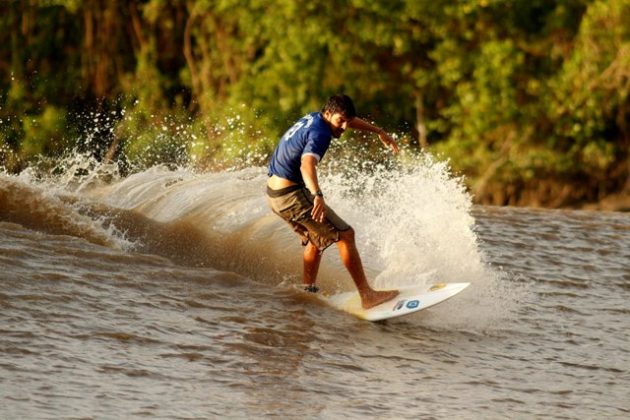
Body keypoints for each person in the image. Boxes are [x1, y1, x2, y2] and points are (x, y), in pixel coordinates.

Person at [266, 94, 400, 309]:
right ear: (328, 114)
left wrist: (379, 132)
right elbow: (306, 164)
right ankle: (367, 296)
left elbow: (348, 119)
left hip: (275, 195)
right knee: (346, 235)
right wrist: (317, 194)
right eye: (341, 121)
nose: (345, 127)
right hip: (291, 194)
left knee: (317, 236)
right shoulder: (320, 134)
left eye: (348, 121)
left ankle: (307, 291)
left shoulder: (315, 118)